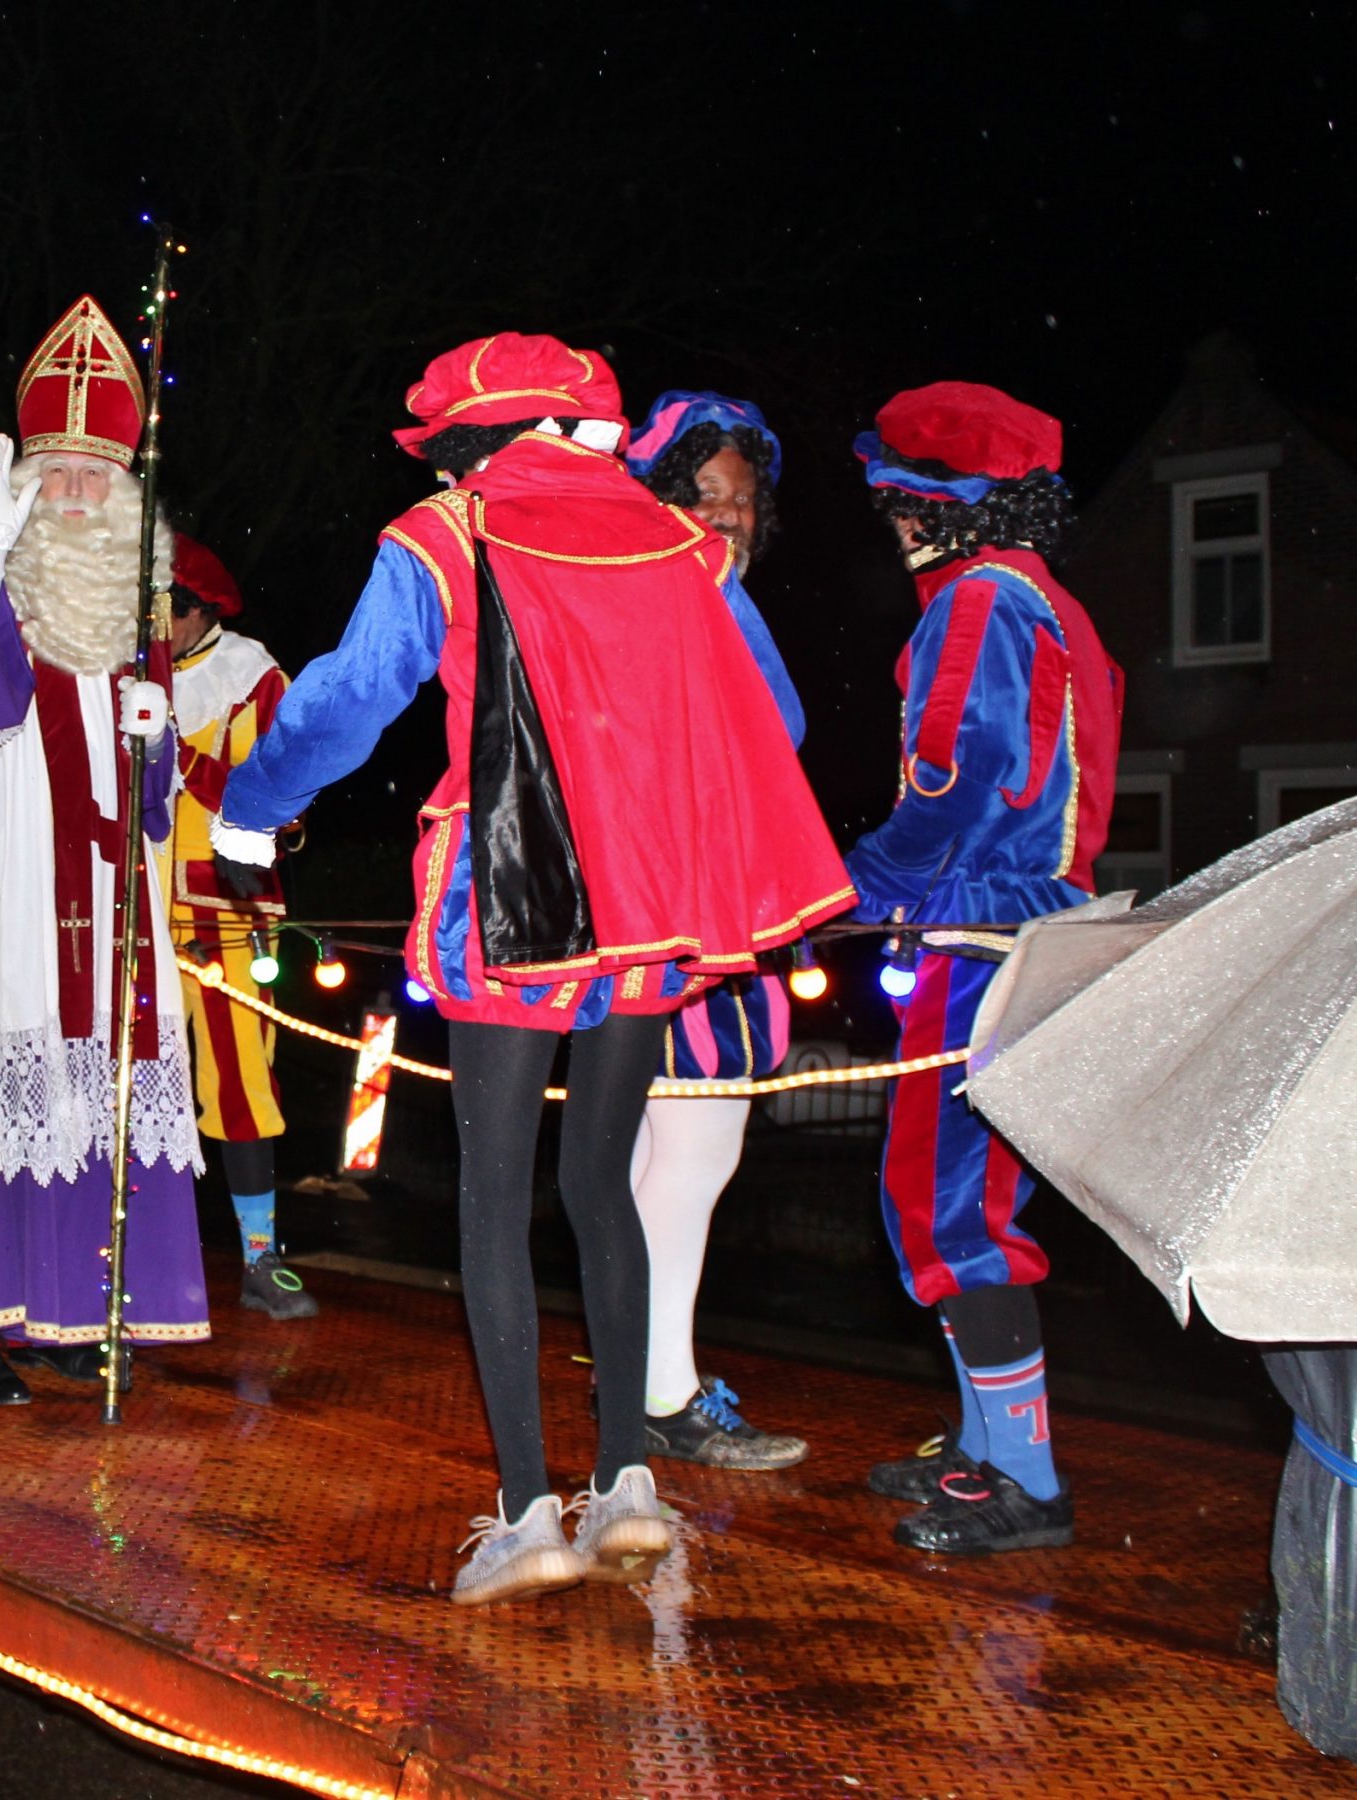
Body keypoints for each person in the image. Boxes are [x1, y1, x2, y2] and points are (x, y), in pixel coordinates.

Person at [215, 332, 852, 1605]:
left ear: (468, 431)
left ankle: (524, 1514)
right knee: (600, 1187)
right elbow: (771, 718)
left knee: (493, 1201)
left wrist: (250, 807)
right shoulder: (682, 544)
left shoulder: (446, 532)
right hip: (647, 909)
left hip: (504, 906)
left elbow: (352, 695)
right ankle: (626, 1484)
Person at [0, 295, 210, 1406]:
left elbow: (159, 799)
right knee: (8, 1079)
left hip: (113, 891)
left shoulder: (139, 617)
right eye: (52, 473)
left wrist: (156, 749)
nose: (71, 497)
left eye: (91, 478)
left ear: (125, 495)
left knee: (101, 1090)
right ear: (17, 488)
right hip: (11, 883)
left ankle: (74, 1311)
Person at [846, 381, 1122, 1555]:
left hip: (977, 933)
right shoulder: (1053, 602)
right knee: (960, 1197)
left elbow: (952, 777)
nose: (891, 524)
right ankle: (980, 1453)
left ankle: (1028, 1482)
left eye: (899, 502)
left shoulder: (974, 603)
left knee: (950, 1206)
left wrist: (857, 884)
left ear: (941, 506)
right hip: (1026, 924)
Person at [618, 391, 810, 1470]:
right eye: (704, 495)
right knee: (688, 1157)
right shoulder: (687, 590)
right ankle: (663, 1393)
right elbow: (772, 723)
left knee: (664, 1158)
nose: (725, 519)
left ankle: (651, 1377)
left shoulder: (674, 588)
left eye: (739, 503)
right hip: (693, 913)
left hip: (679, 903)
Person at [164, 532, 314, 1320]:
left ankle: (262, 1260)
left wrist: (178, 756)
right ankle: (133, 1251)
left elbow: (278, 796)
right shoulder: (129, 670)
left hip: (226, 906)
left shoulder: (253, 675)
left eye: (167, 611)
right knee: (127, 1075)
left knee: (239, 1081)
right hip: (130, 906)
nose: (154, 626)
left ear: (200, 608)